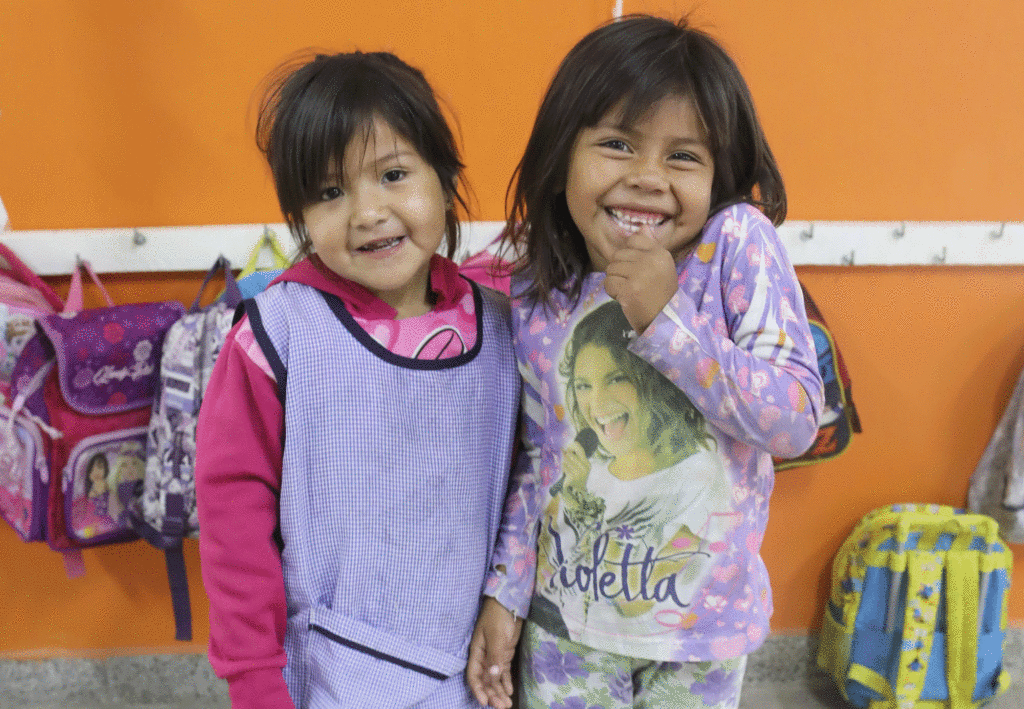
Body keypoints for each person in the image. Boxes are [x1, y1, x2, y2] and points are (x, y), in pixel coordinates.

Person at [467, 15, 825, 709]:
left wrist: (669, 323)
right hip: (568, 627)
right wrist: (505, 594)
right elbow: (541, 459)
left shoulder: (735, 245)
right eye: (616, 143)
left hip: (703, 637)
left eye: (684, 156)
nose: (647, 178)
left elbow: (794, 419)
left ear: (719, 171)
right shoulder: (541, 291)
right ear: (559, 157)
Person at [195, 51, 520, 709]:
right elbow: (232, 518)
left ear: (445, 177)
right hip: (331, 679)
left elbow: (527, 490)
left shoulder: (504, 327)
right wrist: (254, 678)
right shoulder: (278, 334)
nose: (368, 211)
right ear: (299, 215)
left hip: (475, 669)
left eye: (394, 174)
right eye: (329, 191)